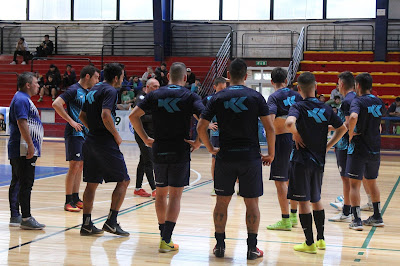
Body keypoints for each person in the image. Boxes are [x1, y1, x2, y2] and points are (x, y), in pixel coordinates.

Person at [197, 59, 276, 260]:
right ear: (246, 75)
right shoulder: (256, 97)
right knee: (252, 203)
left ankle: (220, 246)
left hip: (225, 157)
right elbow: (270, 128)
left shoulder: (218, 97)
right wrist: (271, 154)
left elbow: (200, 127)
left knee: (222, 202)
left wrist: (211, 148)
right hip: (250, 157)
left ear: (228, 76)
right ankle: (251, 249)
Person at [129, 62, 204, 253]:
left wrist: (145, 138)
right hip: (180, 149)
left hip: (159, 148)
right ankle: (166, 239)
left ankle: (163, 235)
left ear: (168, 76)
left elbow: (132, 116)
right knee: (175, 196)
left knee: (161, 194)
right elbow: (205, 118)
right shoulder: (189, 96)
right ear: (185, 78)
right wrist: (197, 141)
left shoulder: (155, 94)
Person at [285, 72, 347, 254]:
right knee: (316, 199)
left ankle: (309, 243)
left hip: (301, 159)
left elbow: (289, 123)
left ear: (299, 89)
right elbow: (342, 128)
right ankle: (321, 240)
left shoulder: (298, 106)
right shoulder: (326, 109)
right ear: (316, 85)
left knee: (303, 201)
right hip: (318, 160)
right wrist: (328, 146)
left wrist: (295, 134)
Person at [78, 63, 130, 236]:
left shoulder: (93, 89)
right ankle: (111, 222)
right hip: (104, 142)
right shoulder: (110, 91)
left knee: (91, 183)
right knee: (123, 180)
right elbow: (106, 115)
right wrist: (115, 135)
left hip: (91, 140)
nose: (123, 79)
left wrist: (93, 130)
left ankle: (86, 224)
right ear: (116, 78)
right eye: (122, 76)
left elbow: (82, 116)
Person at [52, 66, 100, 212]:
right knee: (74, 166)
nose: (97, 80)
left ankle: (75, 197)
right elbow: (56, 104)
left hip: (85, 134)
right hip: (74, 134)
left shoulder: (89, 92)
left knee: (80, 166)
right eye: (96, 77)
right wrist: (71, 121)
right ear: (87, 76)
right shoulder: (73, 90)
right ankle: (68, 201)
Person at [347, 73, 386, 231]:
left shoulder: (357, 101)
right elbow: (379, 125)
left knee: (354, 185)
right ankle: (377, 216)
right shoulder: (378, 101)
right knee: (372, 182)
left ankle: (356, 220)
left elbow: (353, 117)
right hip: (375, 147)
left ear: (358, 85)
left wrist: (350, 133)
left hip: (359, 147)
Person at [265, 67, 302, 231]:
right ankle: (294, 215)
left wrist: (270, 150)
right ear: (287, 81)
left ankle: (285, 219)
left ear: (272, 82)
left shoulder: (273, 97)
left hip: (281, 141)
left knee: (281, 182)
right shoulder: (297, 95)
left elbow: (270, 123)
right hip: (298, 139)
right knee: (294, 178)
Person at [8, 72, 45, 229]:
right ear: (28, 85)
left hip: (22, 148)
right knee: (25, 184)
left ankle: (16, 215)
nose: (38, 85)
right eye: (36, 83)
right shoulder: (22, 99)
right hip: (23, 149)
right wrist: (30, 145)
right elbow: (22, 122)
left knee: (18, 182)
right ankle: (26, 218)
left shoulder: (22, 98)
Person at [327, 71, 357, 223]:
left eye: (338, 82)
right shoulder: (358, 98)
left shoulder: (346, 101)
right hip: (355, 145)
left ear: (342, 83)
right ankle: (351, 209)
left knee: (346, 180)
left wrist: (329, 142)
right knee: (352, 180)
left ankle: (346, 211)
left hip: (345, 146)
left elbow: (346, 126)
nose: (337, 85)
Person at [133, 78, 160, 198]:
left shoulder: (156, 99)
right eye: (154, 86)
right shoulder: (141, 98)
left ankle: (138, 188)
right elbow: (139, 117)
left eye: (158, 86)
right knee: (149, 160)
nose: (157, 89)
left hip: (152, 134)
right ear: (147, 87)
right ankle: (155, 189)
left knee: (143, 160)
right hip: (142, 134)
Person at [201, 77, 227, 196]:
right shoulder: (208, 99)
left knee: (234, 159)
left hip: (229, 133)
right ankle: (215, 186)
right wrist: (208, 124)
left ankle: (237, 185)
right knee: (215, 160)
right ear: (214, 87)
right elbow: (199, 113)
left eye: (224, 88)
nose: (222, 90)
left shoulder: (229, 97)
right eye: (220, 88)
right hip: (216, 134)